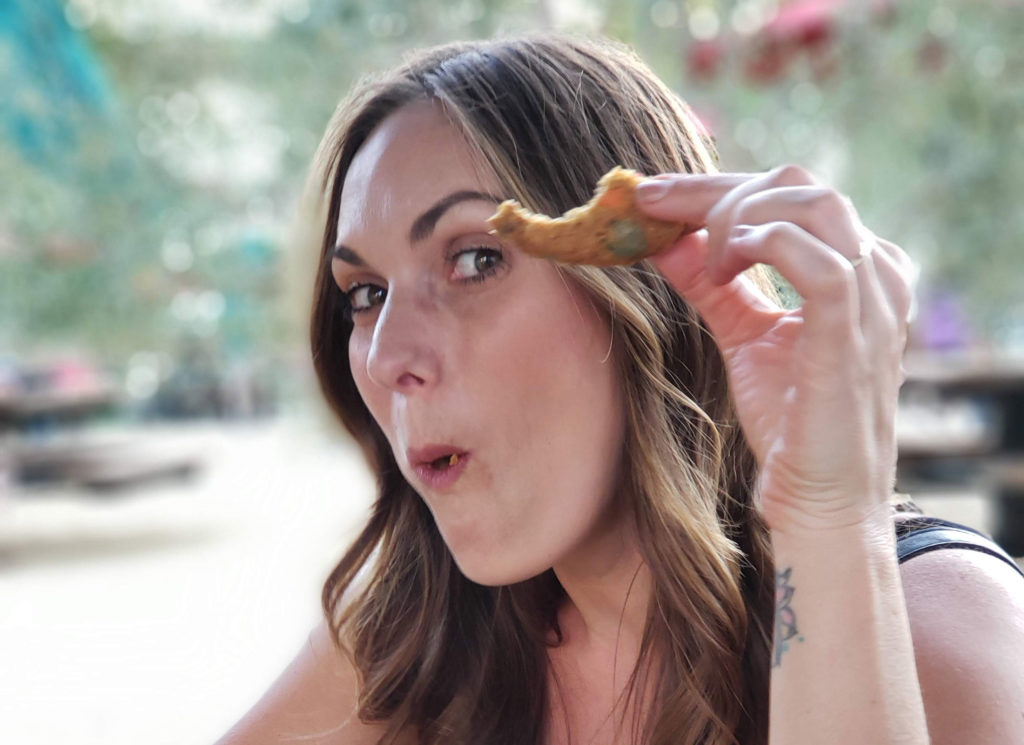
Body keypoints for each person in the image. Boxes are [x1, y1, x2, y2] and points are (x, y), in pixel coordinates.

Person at [215, 34, 1024, 745]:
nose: (388, 357)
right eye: (366, 294)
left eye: (475, 260)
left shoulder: (938, 628)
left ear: (647, 287)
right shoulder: (418, 633)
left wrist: (826, 520)